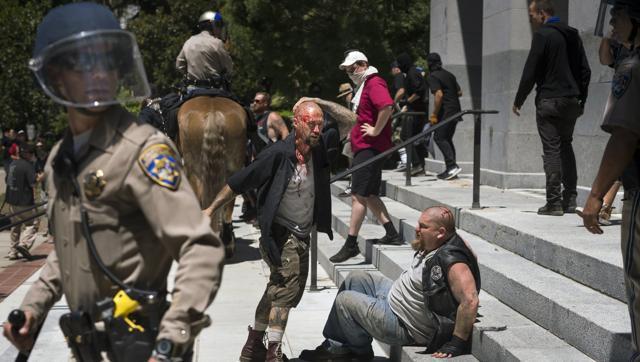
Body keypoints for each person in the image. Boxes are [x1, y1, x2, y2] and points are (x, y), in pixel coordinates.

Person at [2, 3, 225, 361]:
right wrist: (32, 308)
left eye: (108, 61)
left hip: (143, 346)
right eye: (84, 62)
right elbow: (67, 251)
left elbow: (201, 248)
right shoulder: (61, 158)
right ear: (55, 75)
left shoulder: (142, 149)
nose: (100, 73)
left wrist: (170, 341)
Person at [204, 101, 333, 362]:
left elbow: (350, 121)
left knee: (278, 288)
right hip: (278, 233)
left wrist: (317, 102)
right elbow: (240, 181)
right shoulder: (277, 154)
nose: (318, 129)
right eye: (311, 123)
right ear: (296, 123)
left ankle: (253, 347)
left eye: (320, 123)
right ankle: (274, 353)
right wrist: (210, 210)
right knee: (285, 290)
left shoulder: (317, 151)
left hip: (301, 232)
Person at [300, 206, 480, 361]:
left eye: (424, 226)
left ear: (441, 233)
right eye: (419, 223)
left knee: (345, 301)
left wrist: (457, 343)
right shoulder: (443, 241)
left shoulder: (452, 261)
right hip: (396, 299)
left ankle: (356, 352)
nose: (417, 229)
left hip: (406, 325)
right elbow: (472, 254)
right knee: (356, 277)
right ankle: (337, 346)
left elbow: (470, 299)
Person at [581, 0, 640, 358]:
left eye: (617, 17)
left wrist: (596, 195)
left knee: (637, 281)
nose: (613, 25)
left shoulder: (633, 67)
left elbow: (624, 135)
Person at [323, 50, 403, 264]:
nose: (350, 73)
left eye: (353, 68)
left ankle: (351, 244)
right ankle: (392, 234)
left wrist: (376, 130)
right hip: (365, 146)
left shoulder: (374, 82)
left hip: (370, 147)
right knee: (368, 194)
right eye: (348, 70)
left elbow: (387, 106)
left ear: (363, 64)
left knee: (358, 195)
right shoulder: (366, 84)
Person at [513, 0, 591, 216]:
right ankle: (570, 198)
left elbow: (531, 69)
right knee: (566, 146)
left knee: (552, 149)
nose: (531, 19)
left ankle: (554, 202)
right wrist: (581, 98)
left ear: (542, 13)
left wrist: (519, 98)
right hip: (571, 101)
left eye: (532, 15)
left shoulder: (543, 35)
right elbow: (586, 71)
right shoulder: (573, 35)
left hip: (549, 100)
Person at [426, 53, 463, 180]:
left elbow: (439, 95)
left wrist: (434, 114)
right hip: (456, 110)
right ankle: (451, 168)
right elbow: (459, 92)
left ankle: (452, 166)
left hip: (446, 112)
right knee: (447, 138)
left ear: (429, 64)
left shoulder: (432, 76)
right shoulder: (449, 74)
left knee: (439, 137)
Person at [176, 10, 233, 90]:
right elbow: (229, 68)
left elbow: (179, 65)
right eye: (219, 25)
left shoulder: (189, 41)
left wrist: (192, 73)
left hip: (192, 89)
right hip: (215, 89)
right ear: (213, 25)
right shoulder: (217, 43)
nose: (220, 29)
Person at [397, 53, 429, 175]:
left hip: (415, 112)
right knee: (415, 139)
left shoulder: (412, 73)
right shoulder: (412, 72)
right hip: (416, 110)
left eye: (400, 64)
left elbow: (419, 91)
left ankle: (416, 165)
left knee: (406, 136)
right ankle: (420, 166)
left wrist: (407, 101)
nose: (399, 67)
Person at [5, 144, 38, 260]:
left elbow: (7, 180)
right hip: (25, 201)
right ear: (28, 154)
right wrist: (40, 177)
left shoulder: (12, 164)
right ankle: (24, 245)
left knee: (15, 226)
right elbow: (33, 183)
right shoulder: (28, 166)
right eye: (32, 154)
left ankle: (12, 252)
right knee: (31, 224)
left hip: (12, 200)